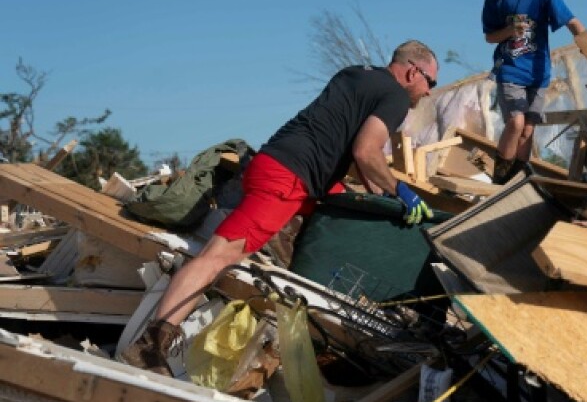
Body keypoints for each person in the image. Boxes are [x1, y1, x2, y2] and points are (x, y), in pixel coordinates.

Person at [119, 41, 440, 375]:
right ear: (412, 71)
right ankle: (149, 347)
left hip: (277, 162)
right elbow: (366, 152)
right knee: (216, 257)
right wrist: (402, 191)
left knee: (336, 214)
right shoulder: (397, 96)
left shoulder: (357, 74)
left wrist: (380, 196)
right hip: (287, 179)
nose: (429, 92)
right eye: (430, 82)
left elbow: (349, 148)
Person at [480, 0, 587, 184]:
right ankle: (500, 178)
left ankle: (517, 180)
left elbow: (570, 21)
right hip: (509, 69)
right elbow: (490, 37)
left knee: (528, 130)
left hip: (538, 72)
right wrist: (510, 30)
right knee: (516, 121)